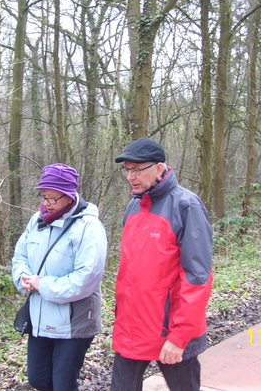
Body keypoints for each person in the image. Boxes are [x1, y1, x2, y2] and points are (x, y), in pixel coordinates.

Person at [110, 138, 213, 391]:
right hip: (133, 327)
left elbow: (197, 277)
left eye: (137, 169)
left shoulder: (185, 205)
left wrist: (179, 337)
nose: (130, 177)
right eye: (127, 170)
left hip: (171, 329)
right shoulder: (134, 206)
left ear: (159, 168)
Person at [12, 163, 108, 391]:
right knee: (38, 379)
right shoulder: (37, 220)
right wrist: (23, 277)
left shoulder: (88, 227)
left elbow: (87, 278)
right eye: (43, 196)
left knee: (63, 384)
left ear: (69, 197)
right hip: (40, 316)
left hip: (74, 321)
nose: (46, 202)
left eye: (52, 198)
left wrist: (42, 284)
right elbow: (20, 255)